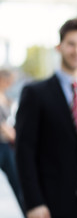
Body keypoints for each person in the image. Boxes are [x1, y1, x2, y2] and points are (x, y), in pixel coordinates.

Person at [15, 18, 77, 218]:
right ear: (59, 47)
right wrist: (33, 202)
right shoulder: (35, 93)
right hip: (49, 203)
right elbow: (24, 151)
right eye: (71, 44)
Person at [0, 69, 26, 216]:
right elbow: (4, 127)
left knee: (18, 184)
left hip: (7, 146)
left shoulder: (5, 97)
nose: (10, 84)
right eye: (8, 81)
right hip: (3, 145)